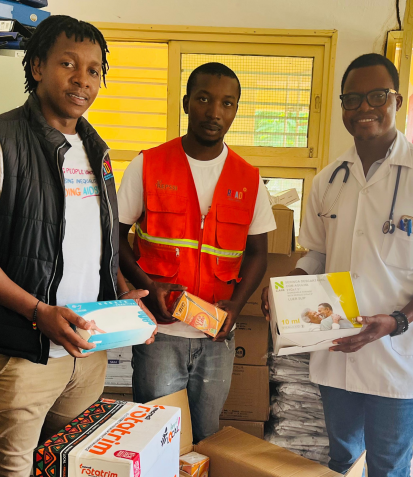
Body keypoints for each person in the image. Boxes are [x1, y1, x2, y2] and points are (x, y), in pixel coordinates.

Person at [0, 16, 154, 477]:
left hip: (86, 349)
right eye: (68, 64)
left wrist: (118, 295)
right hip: (23, 352)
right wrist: (39, 311)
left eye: (95, 70)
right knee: (12, 470)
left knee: (66, 465)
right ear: (37, 66)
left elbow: (92, 240)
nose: (83, 79)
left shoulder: (96, 149)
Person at [261, 53, 413, 475]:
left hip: (397, 352)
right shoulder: (329, 179)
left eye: (377, 96)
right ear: (342, 106)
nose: (364, 108)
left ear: (397, 101)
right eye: (353, 99)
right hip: (337, 351)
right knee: (340, 459)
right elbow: (318, 253)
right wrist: (289, 284)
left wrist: (398, 320)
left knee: (389, 465)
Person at [116, 62, 274, 442]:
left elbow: (257, 254)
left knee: (204, 438)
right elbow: (114, 235)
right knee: (156, 438)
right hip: (160, 332)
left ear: (236, 110)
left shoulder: (248, 179)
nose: (215, 111)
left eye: (227, 103)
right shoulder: (148, 164)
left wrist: (235, 307)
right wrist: (146, 286)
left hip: (216, 336)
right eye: (204, 99)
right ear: (187, 103)